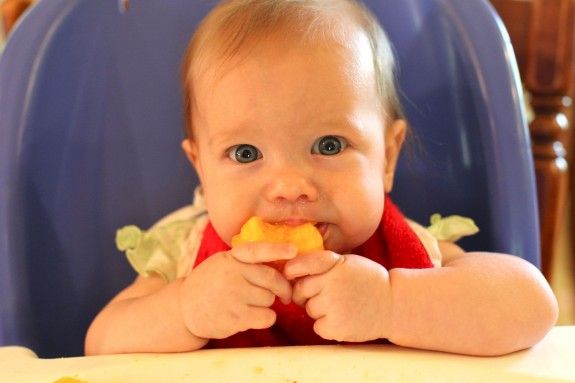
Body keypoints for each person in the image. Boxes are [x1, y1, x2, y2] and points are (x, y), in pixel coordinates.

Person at [85, 0, 558, 356]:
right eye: (246, 153)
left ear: (387, 158)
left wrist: (392, 303)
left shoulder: (406, 257)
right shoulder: (184, 259)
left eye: (329, 146)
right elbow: (101, 345)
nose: (290, 186)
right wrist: (185, 309)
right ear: (202, 171)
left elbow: (533, 307)